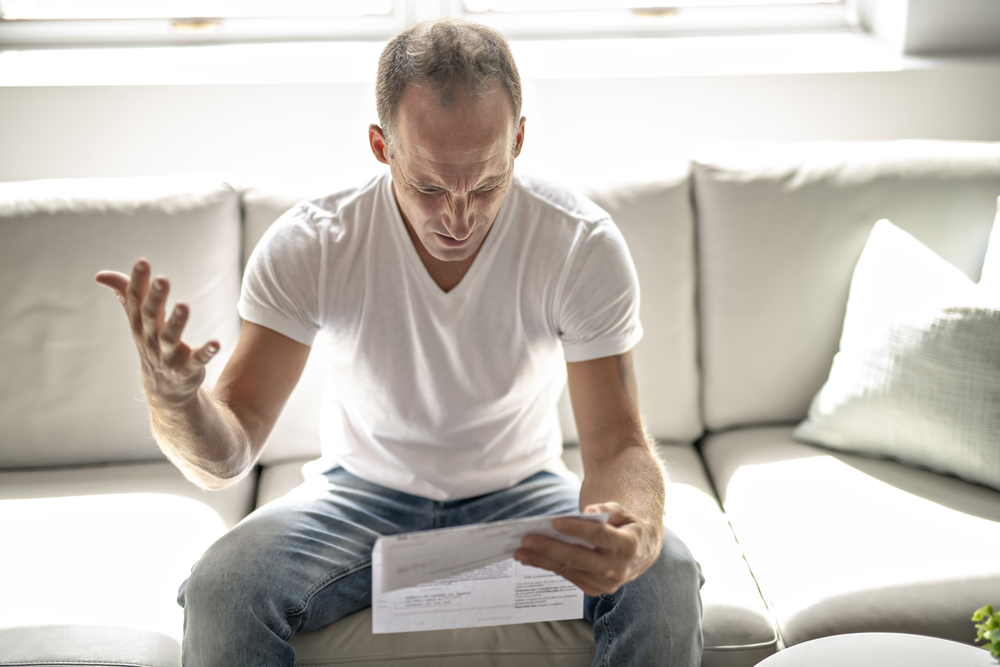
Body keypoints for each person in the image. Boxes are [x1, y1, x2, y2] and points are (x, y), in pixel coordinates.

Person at [96, 17, 703, 666]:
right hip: (360, 493)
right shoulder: (315, 243)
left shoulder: (579, 242)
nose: (461, 219)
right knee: (224, 587)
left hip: (522, 490)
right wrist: (177, 402)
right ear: (381, 147)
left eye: (488, 184)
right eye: (430, 188)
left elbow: (617, 442)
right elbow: (225, 453)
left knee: (664, 571)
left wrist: (630, 527)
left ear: (519, 139)